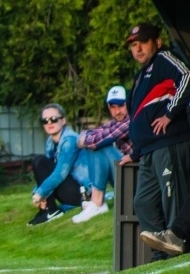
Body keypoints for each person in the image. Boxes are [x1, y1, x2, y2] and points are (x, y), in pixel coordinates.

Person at [119, 22, 190, 260]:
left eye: (143, 43)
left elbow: (188, 76)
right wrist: (135, 152)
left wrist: (170, 113)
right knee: (143, 203)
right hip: (148, 150)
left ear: (157, 42)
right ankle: (159, 256)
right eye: (134, 45)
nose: (138, 49)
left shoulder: (165, 59)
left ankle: (177, 256)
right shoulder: (139, 77)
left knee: (173, 201)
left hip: (168, 144)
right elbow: (137, 118)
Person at [71, 85, 133, 223]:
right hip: (125, 173)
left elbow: (95, 140)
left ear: (128, 103)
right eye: (113, 107)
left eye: (121, 105)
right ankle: (96, 201)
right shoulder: (114, 123)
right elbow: (86, 135)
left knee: (100, 146)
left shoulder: (132, 120)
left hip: (136, 177)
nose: (117, 111)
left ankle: (97, 202)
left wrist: (85, 140)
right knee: (94, 145)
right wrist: (85, 139)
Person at [27, 104, 89, 226]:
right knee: (40, 162)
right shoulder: (50, 141)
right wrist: (38, 192)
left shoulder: (70, 140)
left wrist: (40, 193)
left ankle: (51, 211)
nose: (49, 122)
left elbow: (60, 173)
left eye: (54, 119)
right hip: (68, 188)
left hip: (82, 193)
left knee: (39, 161)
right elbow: (45, 173)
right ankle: (46, 210)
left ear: (63, 120)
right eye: (45, 120)